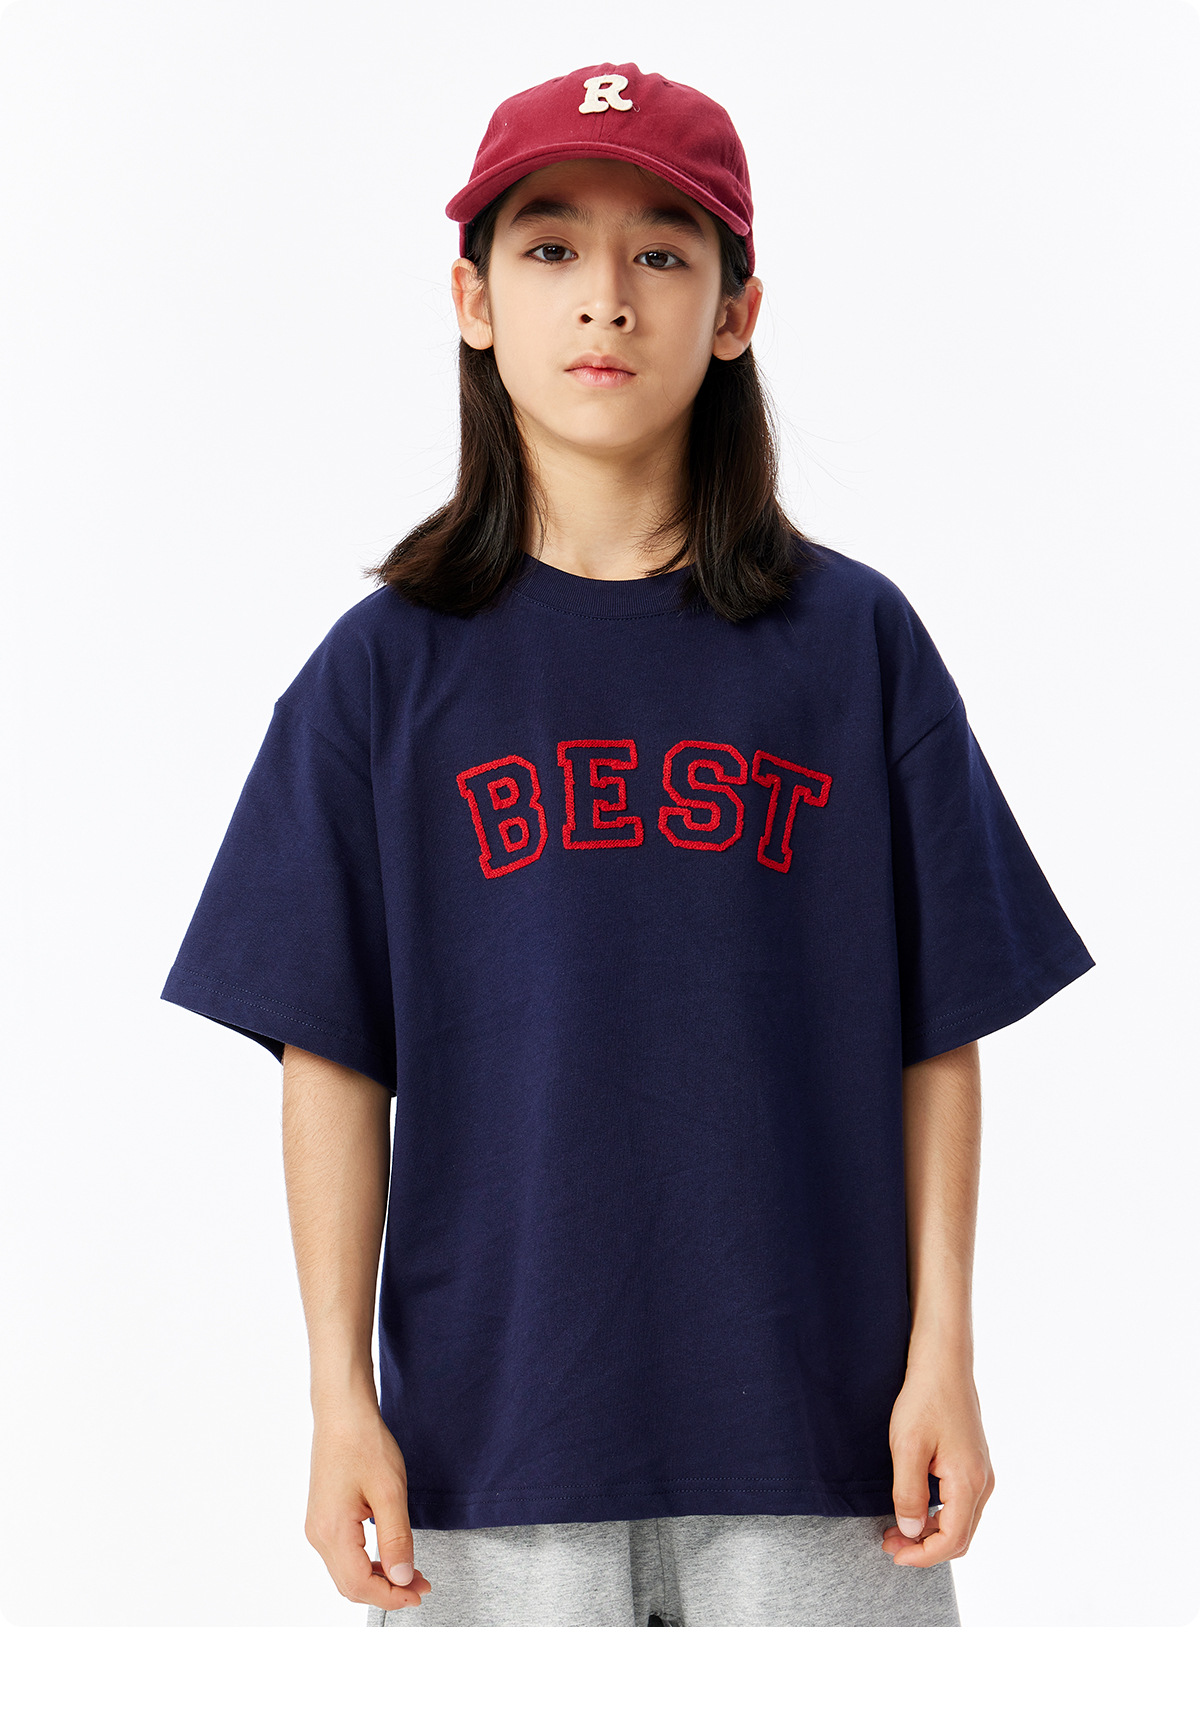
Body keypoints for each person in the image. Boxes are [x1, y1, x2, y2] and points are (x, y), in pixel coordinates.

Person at [160, 62, 1093, 1627]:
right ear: (473, 299)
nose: (606, 296)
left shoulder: (852, 646)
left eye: (663, 250)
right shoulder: (382, 674)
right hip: (489, 1457)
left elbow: (939, 1031)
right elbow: (330, 1056)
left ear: (735, 311)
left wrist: (948, 1350)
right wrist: (337, 1396)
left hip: (822, 1449)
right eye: (550, 248)